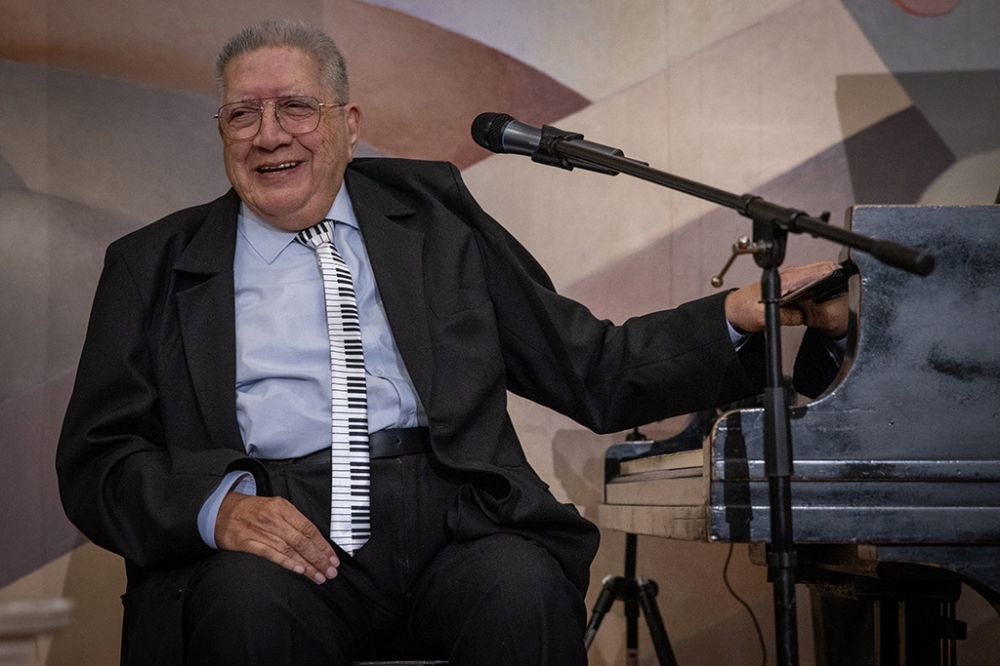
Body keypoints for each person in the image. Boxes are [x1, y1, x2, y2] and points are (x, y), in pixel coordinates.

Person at [56, 19, 846, 666]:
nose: (269, 135)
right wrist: (216, 509)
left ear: (348, 122)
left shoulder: (433, 224)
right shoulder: (152, 265)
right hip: (277, 530)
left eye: (295, 108)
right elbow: (98, 460)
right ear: (221, 129)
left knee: (522, 592)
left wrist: (731, 317)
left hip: (451, 519)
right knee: (241, 614)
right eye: (242, 114)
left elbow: (591, 367)